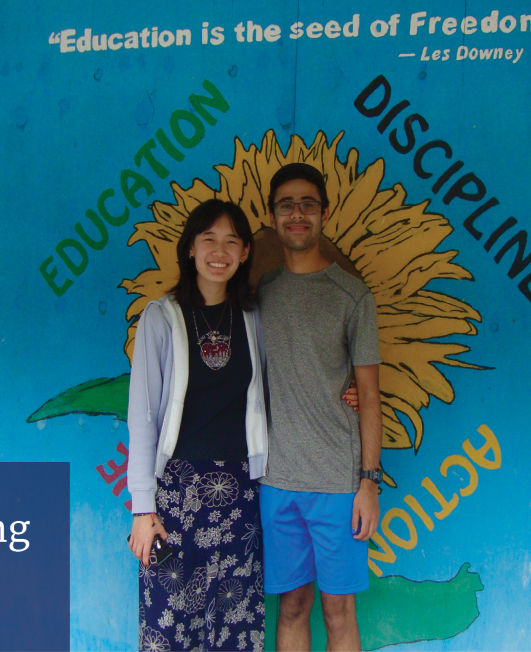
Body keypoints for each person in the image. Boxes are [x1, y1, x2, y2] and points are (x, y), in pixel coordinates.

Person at [126, 199, 359, 652]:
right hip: (177, 492)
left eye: (232, 241)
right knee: (170, 620)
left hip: (242, 490)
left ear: (246, 253)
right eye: (208, 239)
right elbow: (143, 418)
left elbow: (291, 377)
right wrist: (142, 509)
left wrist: (347, 389)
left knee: (235, 620)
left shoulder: (254, 317)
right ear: (190, 248)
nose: (220, 250)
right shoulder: (161, 317)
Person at [258, 163, 383, 652]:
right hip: (278, 481)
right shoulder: (262, 292)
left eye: (307, 204)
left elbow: (369, 394)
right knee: (291, 607)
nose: (297, 214)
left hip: (337, 484)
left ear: (324, 214)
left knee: (338, 611)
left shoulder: (353, 296)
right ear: (272, 217)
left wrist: (368, 482)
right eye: (286, 204)